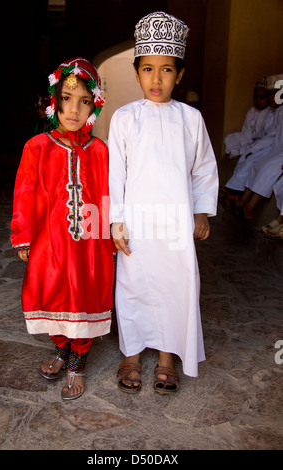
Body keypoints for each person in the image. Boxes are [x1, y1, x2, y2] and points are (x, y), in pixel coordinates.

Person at [108, 12, 219, 394]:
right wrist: (115, 220)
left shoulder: (191, 119)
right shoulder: (124, 119)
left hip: (174, 223)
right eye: (149, 69)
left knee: (177, 284)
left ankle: (169, 355)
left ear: (180, 74)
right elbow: (116, 175)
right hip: (136, 222)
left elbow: (203, 167)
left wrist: (201, 210)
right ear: (137, 72)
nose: (157, 80)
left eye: (167, 70)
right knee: (134, 284)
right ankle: (133, 353)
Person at [11, 57, 114, 400]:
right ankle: (61, 349)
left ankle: (78, 362)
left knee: (83, 296)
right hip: (49, 243)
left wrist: (108, 237)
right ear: (54, 101)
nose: (74, 109)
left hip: (88, 247)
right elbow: (24, 192)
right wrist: (22, 234)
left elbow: (107, 194)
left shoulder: (99, 151)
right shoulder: (36, 147)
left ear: (94, 106)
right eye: (67, 99)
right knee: (51, 292)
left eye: (84, 101)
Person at [224, 74, 283, 195]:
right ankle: (234, 190)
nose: (272, 97)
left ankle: (236, 192)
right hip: (268, 146)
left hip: (272, 148)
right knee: (242, 152)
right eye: (270, 94)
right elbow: (248, 133)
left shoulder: (275, 112)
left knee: (253, 161)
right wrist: (249, 148)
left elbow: (271, 137)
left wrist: (253, 149)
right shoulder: (273, 112)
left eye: (274, 94)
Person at [224, 77, 271, 159]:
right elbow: (246, 132)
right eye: (256, 97)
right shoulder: (251, 111)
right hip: (250, 140)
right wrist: (245, 144)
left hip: (262, 142)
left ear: (268, 98)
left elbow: (268, 137)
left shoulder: (270, 113)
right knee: (229, 139)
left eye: (262, 97)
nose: (258, 100)